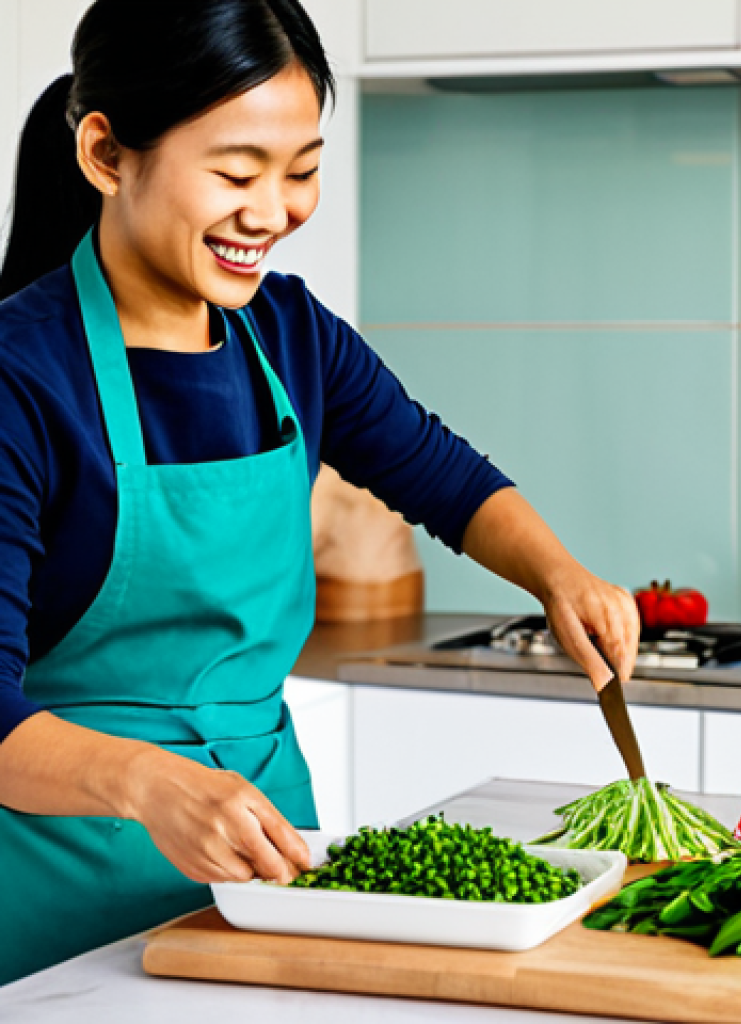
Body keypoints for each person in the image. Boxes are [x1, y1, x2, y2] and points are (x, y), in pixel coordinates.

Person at [0, 0, 639, 985]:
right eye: (235, 170)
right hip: (53, 907)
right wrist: (153, 784)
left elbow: (442, 474)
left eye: (300, 170)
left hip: (266, 883)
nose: (273, 210)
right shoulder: (20, 377)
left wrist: (557, 574)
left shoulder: (292, 335)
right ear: (105, 154)